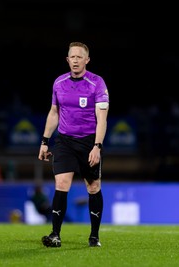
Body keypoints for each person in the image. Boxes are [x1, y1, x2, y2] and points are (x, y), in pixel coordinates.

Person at [38, 41, 110, 248]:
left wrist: (97, 146)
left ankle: (94, 236)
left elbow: (102, 119)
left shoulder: (97, 83)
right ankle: (55, 235)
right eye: (72, 57)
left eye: (80, 57)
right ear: (67, 60)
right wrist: (44, 141)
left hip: (89, 142)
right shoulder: (58, 83)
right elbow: (54, 113)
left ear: (87, 60)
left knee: (93, 187)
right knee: (61, 184)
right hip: (64, 141)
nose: (76, 60)